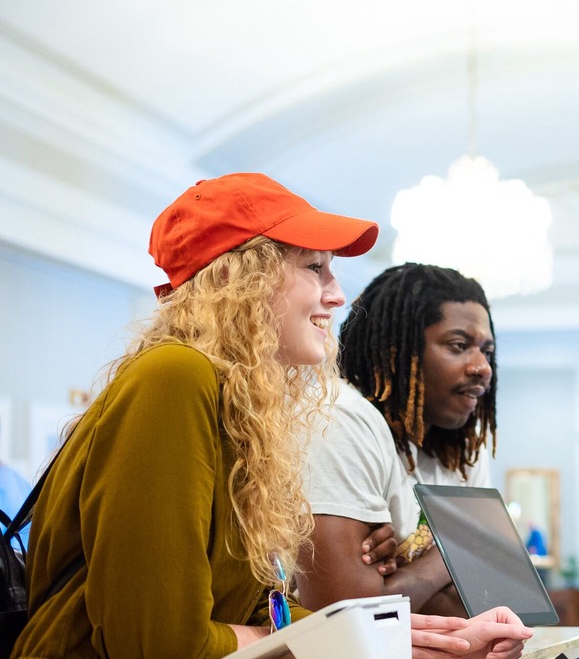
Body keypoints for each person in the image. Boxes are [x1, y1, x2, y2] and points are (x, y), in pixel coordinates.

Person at [14, 174, 531, 659]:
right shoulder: (174, 375)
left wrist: (408, 641)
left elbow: (243, 617)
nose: (337, 293)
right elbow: (158, 643)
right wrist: (331, 638)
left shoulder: (241, 409)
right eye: (315, 268)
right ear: (242, 276)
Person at [299, 263, 498, 616]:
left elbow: (496, 600)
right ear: (398, 350)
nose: (482, 367)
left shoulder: (464, 448)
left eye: (487, 351)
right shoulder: (341, 420)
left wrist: (404, 581)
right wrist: (461, 547)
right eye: (459, 345)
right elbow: (348, 616)